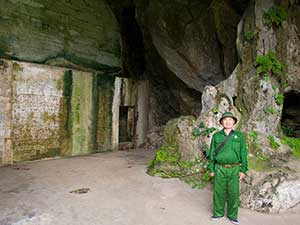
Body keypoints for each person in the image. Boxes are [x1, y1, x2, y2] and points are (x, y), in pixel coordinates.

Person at [207, 111, 248, 225]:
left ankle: (232, 215)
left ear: (234, 122)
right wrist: (211, 169)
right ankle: (218, 213)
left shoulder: (239, 136)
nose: (228, 121)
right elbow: (212, 154)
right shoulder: (216, 136)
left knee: (233, 193)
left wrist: (243, 170)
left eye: (230, 119)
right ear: (221, 122)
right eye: (225, 119)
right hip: (219, 168)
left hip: (234, 169)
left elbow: (243, 153)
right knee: (218, 192)